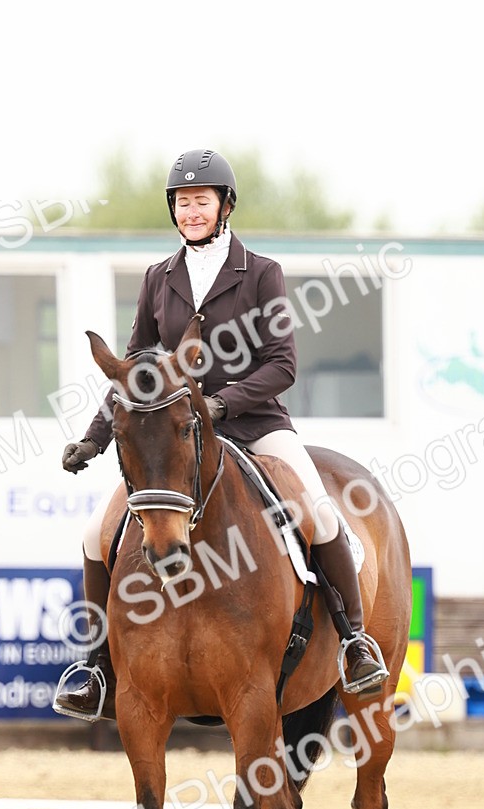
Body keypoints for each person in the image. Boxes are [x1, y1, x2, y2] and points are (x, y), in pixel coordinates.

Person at [55, 148, 388, 721]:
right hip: (174, 435)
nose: (191, 212)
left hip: (255, 425)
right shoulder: (159, 278)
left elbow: (281, 363)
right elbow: (137, 368)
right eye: (183, 204)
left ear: (224, 206)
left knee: (324, 513)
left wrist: (220, 403)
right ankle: (93, 668)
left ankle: (356, 641)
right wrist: (95, 437)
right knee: (93, 534)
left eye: (201, 202)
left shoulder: (261, 273)